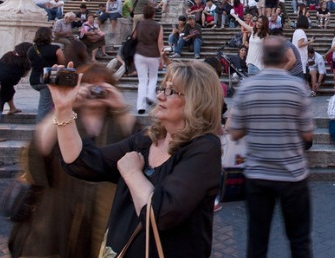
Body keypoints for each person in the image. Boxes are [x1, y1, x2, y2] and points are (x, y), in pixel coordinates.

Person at [50, 60, 223, 258]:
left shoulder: (204, 148)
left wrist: (132, 172)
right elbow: (82, 162)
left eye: (171, 91)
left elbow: (162, 215)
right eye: (161, 88)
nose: (159, 95)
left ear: (196, 100)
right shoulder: (147, 140)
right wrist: (63, 109)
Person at [9, 63, 135, 258]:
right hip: (57, 214)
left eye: (102, 86)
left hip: (101, 216)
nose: (95, 91)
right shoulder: (66, 118)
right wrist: (64, 106)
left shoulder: (118, 122)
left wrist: (120, 106)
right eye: (89, 85)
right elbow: (38, 148)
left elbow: (136, 145)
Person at [227, 37, 314, 257]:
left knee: (257, 241)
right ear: (285, 58)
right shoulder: (297, 87)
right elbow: (307, 133)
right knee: (300, 241)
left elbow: (235, 131)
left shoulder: (247, 86)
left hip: (258, 175)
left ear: (263, 58)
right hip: (293, 175)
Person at [27, 27, 66, 122]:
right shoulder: (56, 49)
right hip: (48, 80)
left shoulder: (31, 49)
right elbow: (62, 63)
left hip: (34, 80)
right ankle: (40, 131)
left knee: (46, 103)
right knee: (44, 107)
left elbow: (31, 63)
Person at [134, 4, 164, 114]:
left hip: (140, 53)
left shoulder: (139, 24)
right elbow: (160, 43)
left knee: (142, 80)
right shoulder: (158, 26)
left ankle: (140, 106)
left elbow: (134, 38)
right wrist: (162, 58)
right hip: (153, 54)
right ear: (153, 14)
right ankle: (150, 96)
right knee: (153, 77)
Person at [0, 42, 31, 115]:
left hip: (4, 81)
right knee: (4, 97)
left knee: (10, 91)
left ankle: (12, 108)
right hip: (7, 82)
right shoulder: (26, 62)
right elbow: (24, 75)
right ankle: (12, 108)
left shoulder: (8, 54)